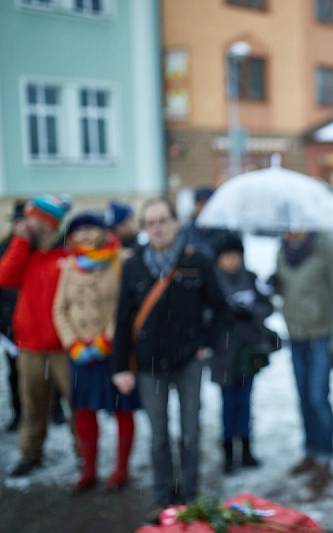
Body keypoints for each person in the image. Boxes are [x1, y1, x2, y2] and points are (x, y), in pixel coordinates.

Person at [111, 198, 228, 510]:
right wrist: (120, 366)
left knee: (190, 433)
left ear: (176, 223)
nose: (158, 228)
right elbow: (123, 319)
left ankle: (189, 495)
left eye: (163, 220)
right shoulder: (133, 265)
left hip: (189, 361)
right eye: (151, 223)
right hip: (150, 365)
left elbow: (221, 309)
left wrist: (207, 342)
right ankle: (164, 498)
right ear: (144, 228)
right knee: (159, 436)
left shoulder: (198, 262)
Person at [53, 212, 138, 492]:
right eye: (80, 230)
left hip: (113, 351)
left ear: (104, 231)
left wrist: (107, 339)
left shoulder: (120, 261)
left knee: (121, 409)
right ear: (72, 236)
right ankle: (89, 470)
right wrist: (73, 342)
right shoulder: (68, 266)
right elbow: (60, 309)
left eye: (92, 228)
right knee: (84, 411)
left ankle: (121, 470)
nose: (86, 234)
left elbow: (125, 304)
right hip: (79, 353)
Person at [0, 195, 73, 477]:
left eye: (31, 217)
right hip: (29, 346)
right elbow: (5, 277)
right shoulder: (23, 250)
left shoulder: (67, 251)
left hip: (63, 346)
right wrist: (20, 242)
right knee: (32, 406)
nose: (24, 222)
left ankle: (84, 456)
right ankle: (30, 454)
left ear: (45, 222)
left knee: (76, 406)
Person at [273, 230, 333, 494]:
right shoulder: (283, 249)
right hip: (296, 335)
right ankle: (310, 452)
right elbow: (284, 287)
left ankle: (325, 458)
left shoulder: (328, 246)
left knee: (319, 398)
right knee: (304, 397)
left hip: (322, 336)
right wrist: (274, 284)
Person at [210, 232, 277, 474]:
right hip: (223, 355)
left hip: (249, 353)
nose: (231, 261)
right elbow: (207, 316)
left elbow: (268, 306)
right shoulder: (213, 282)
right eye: (226, 256)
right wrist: (228, 315)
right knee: (229, 404)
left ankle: (247, 449)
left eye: (235, 255)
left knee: (246, 402)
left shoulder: (250, 278)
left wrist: (253, 311)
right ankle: (229, 452)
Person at [1, 200, 26, 432]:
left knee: (47, 374)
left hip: (33, 324)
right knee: (15, 374)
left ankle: (55, 410)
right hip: (9, 325)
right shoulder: (3, 249)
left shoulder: (36, 248)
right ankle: (19, 413)